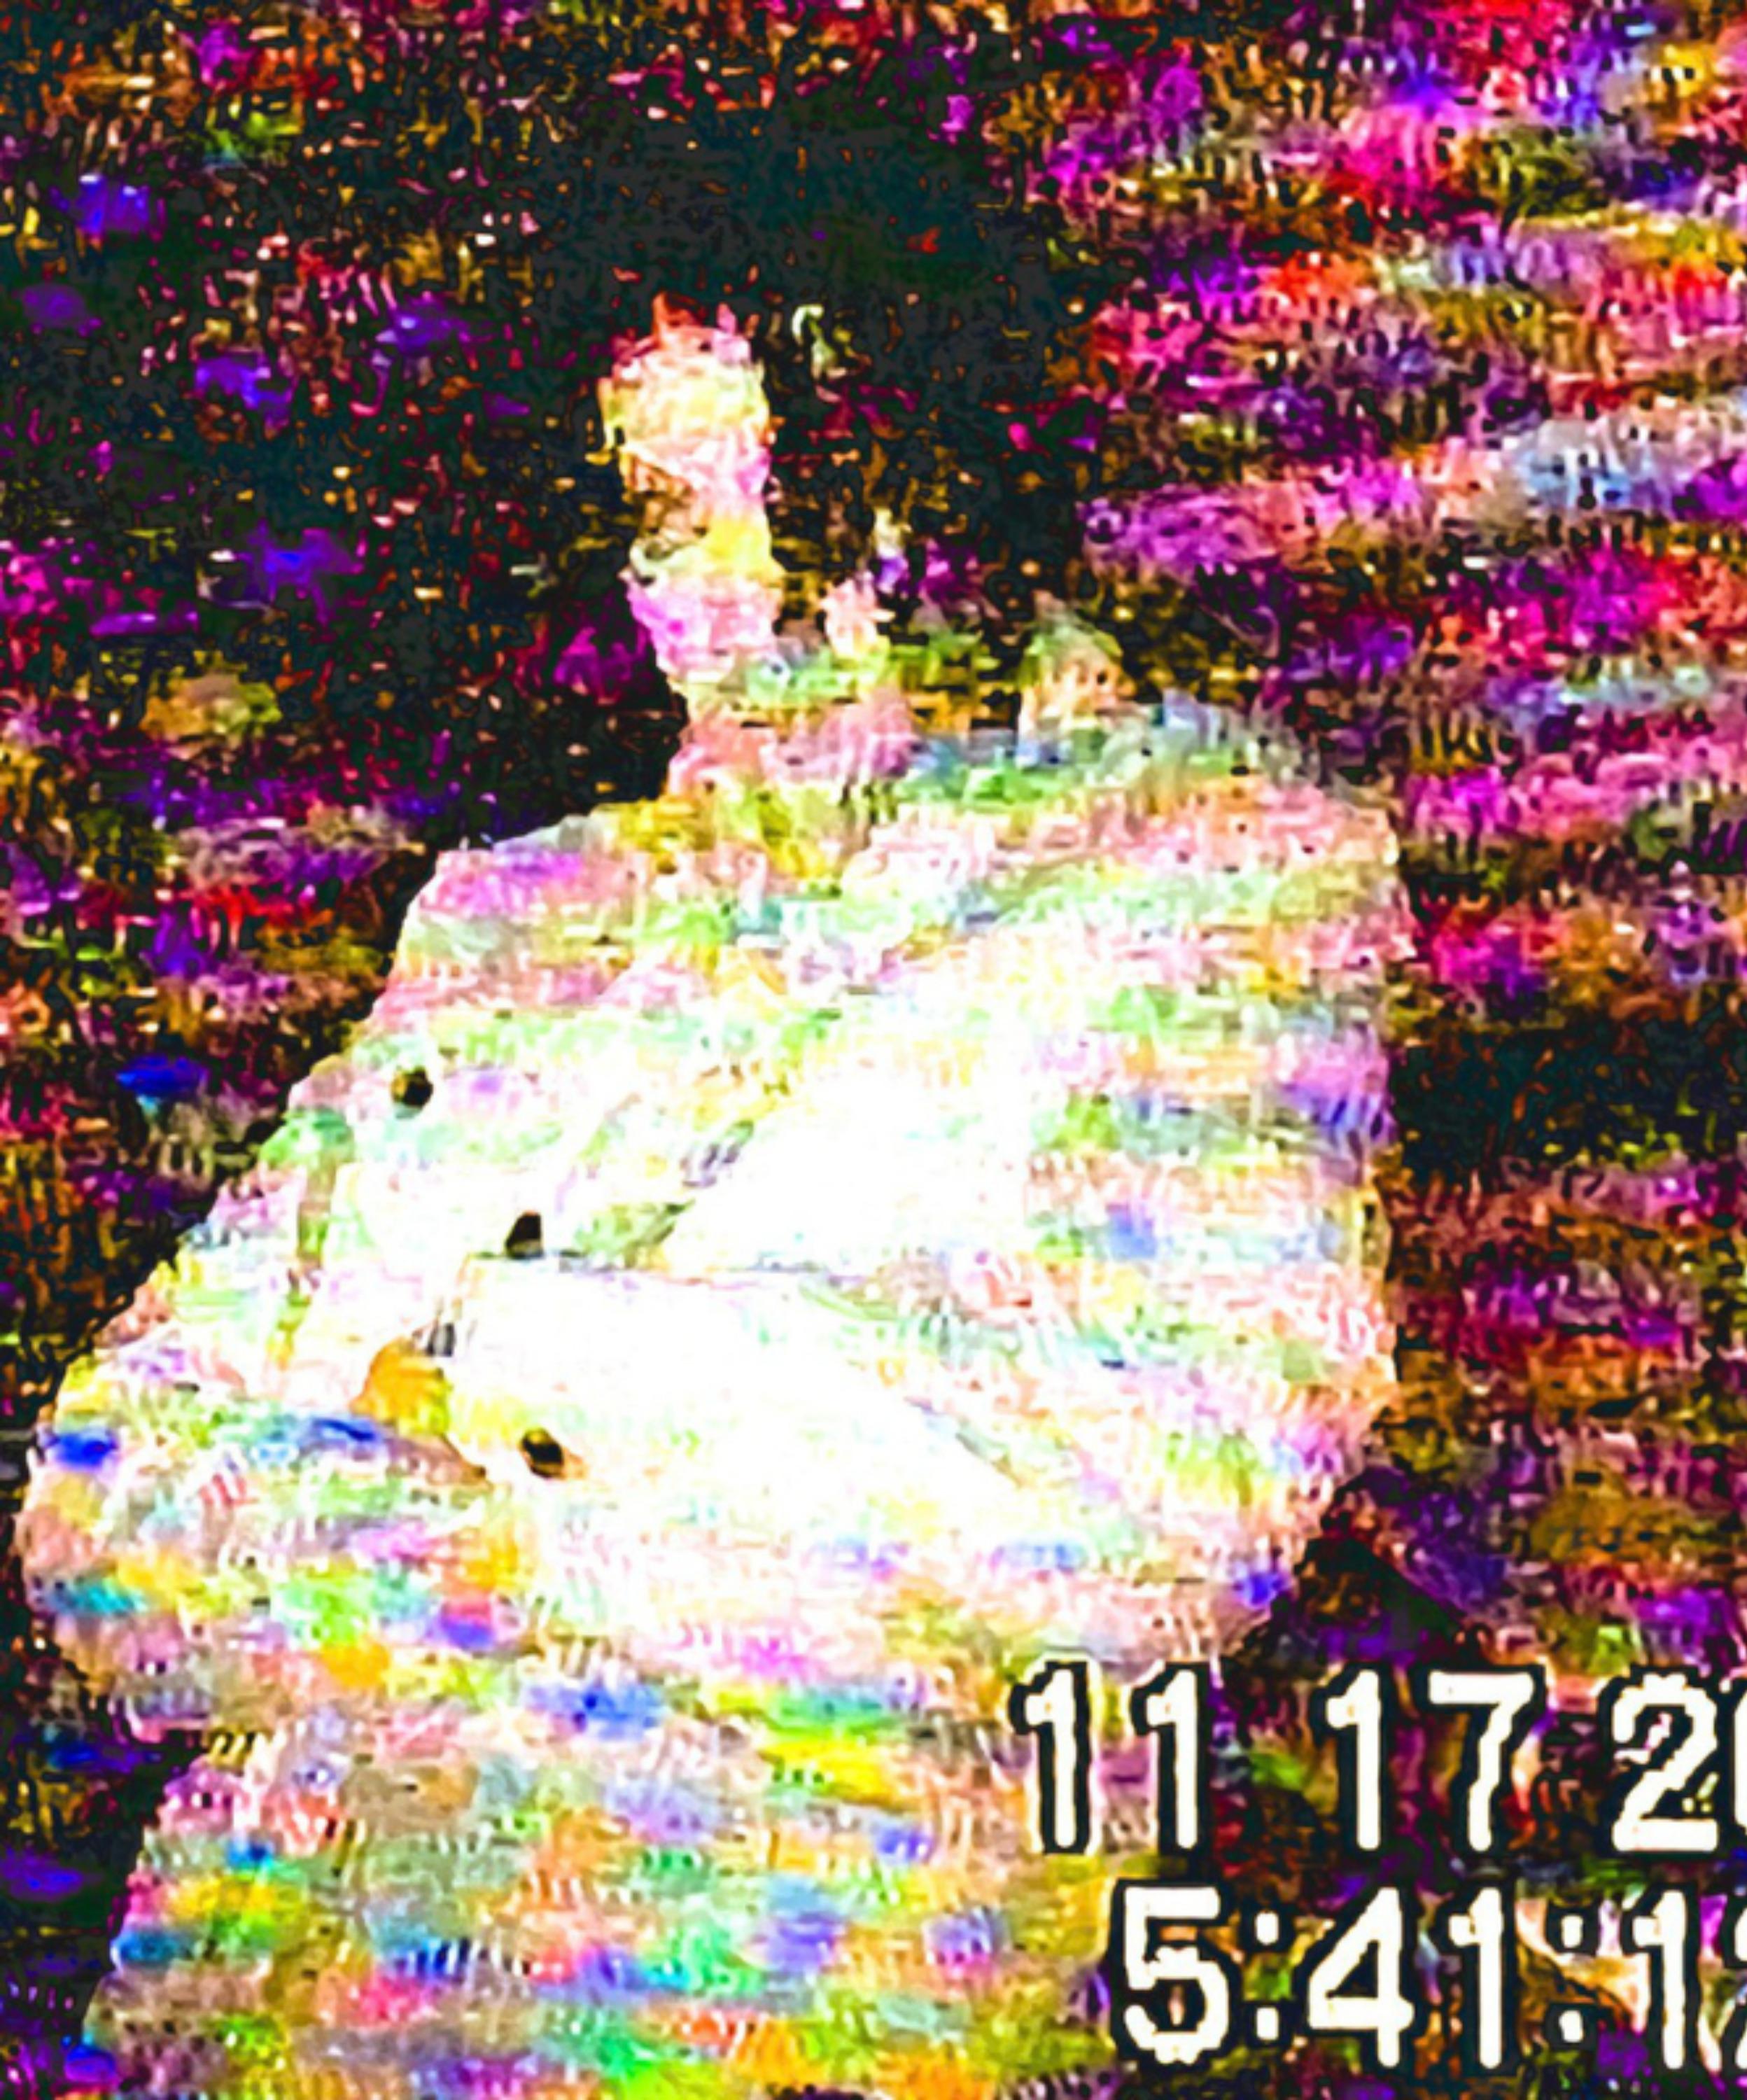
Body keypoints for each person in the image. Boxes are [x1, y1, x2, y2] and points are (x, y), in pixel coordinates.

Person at [17, 304, 1410, 2100]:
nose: (705, 608)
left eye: (780, 519)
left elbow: (1163, 1502)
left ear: (937, 502)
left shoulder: (1200, 868)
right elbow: (102, 1480)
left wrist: (502, 1383)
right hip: (246, 2000)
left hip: (729, 2014)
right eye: (658, 527)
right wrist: (476, 1566)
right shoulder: (510, 915)